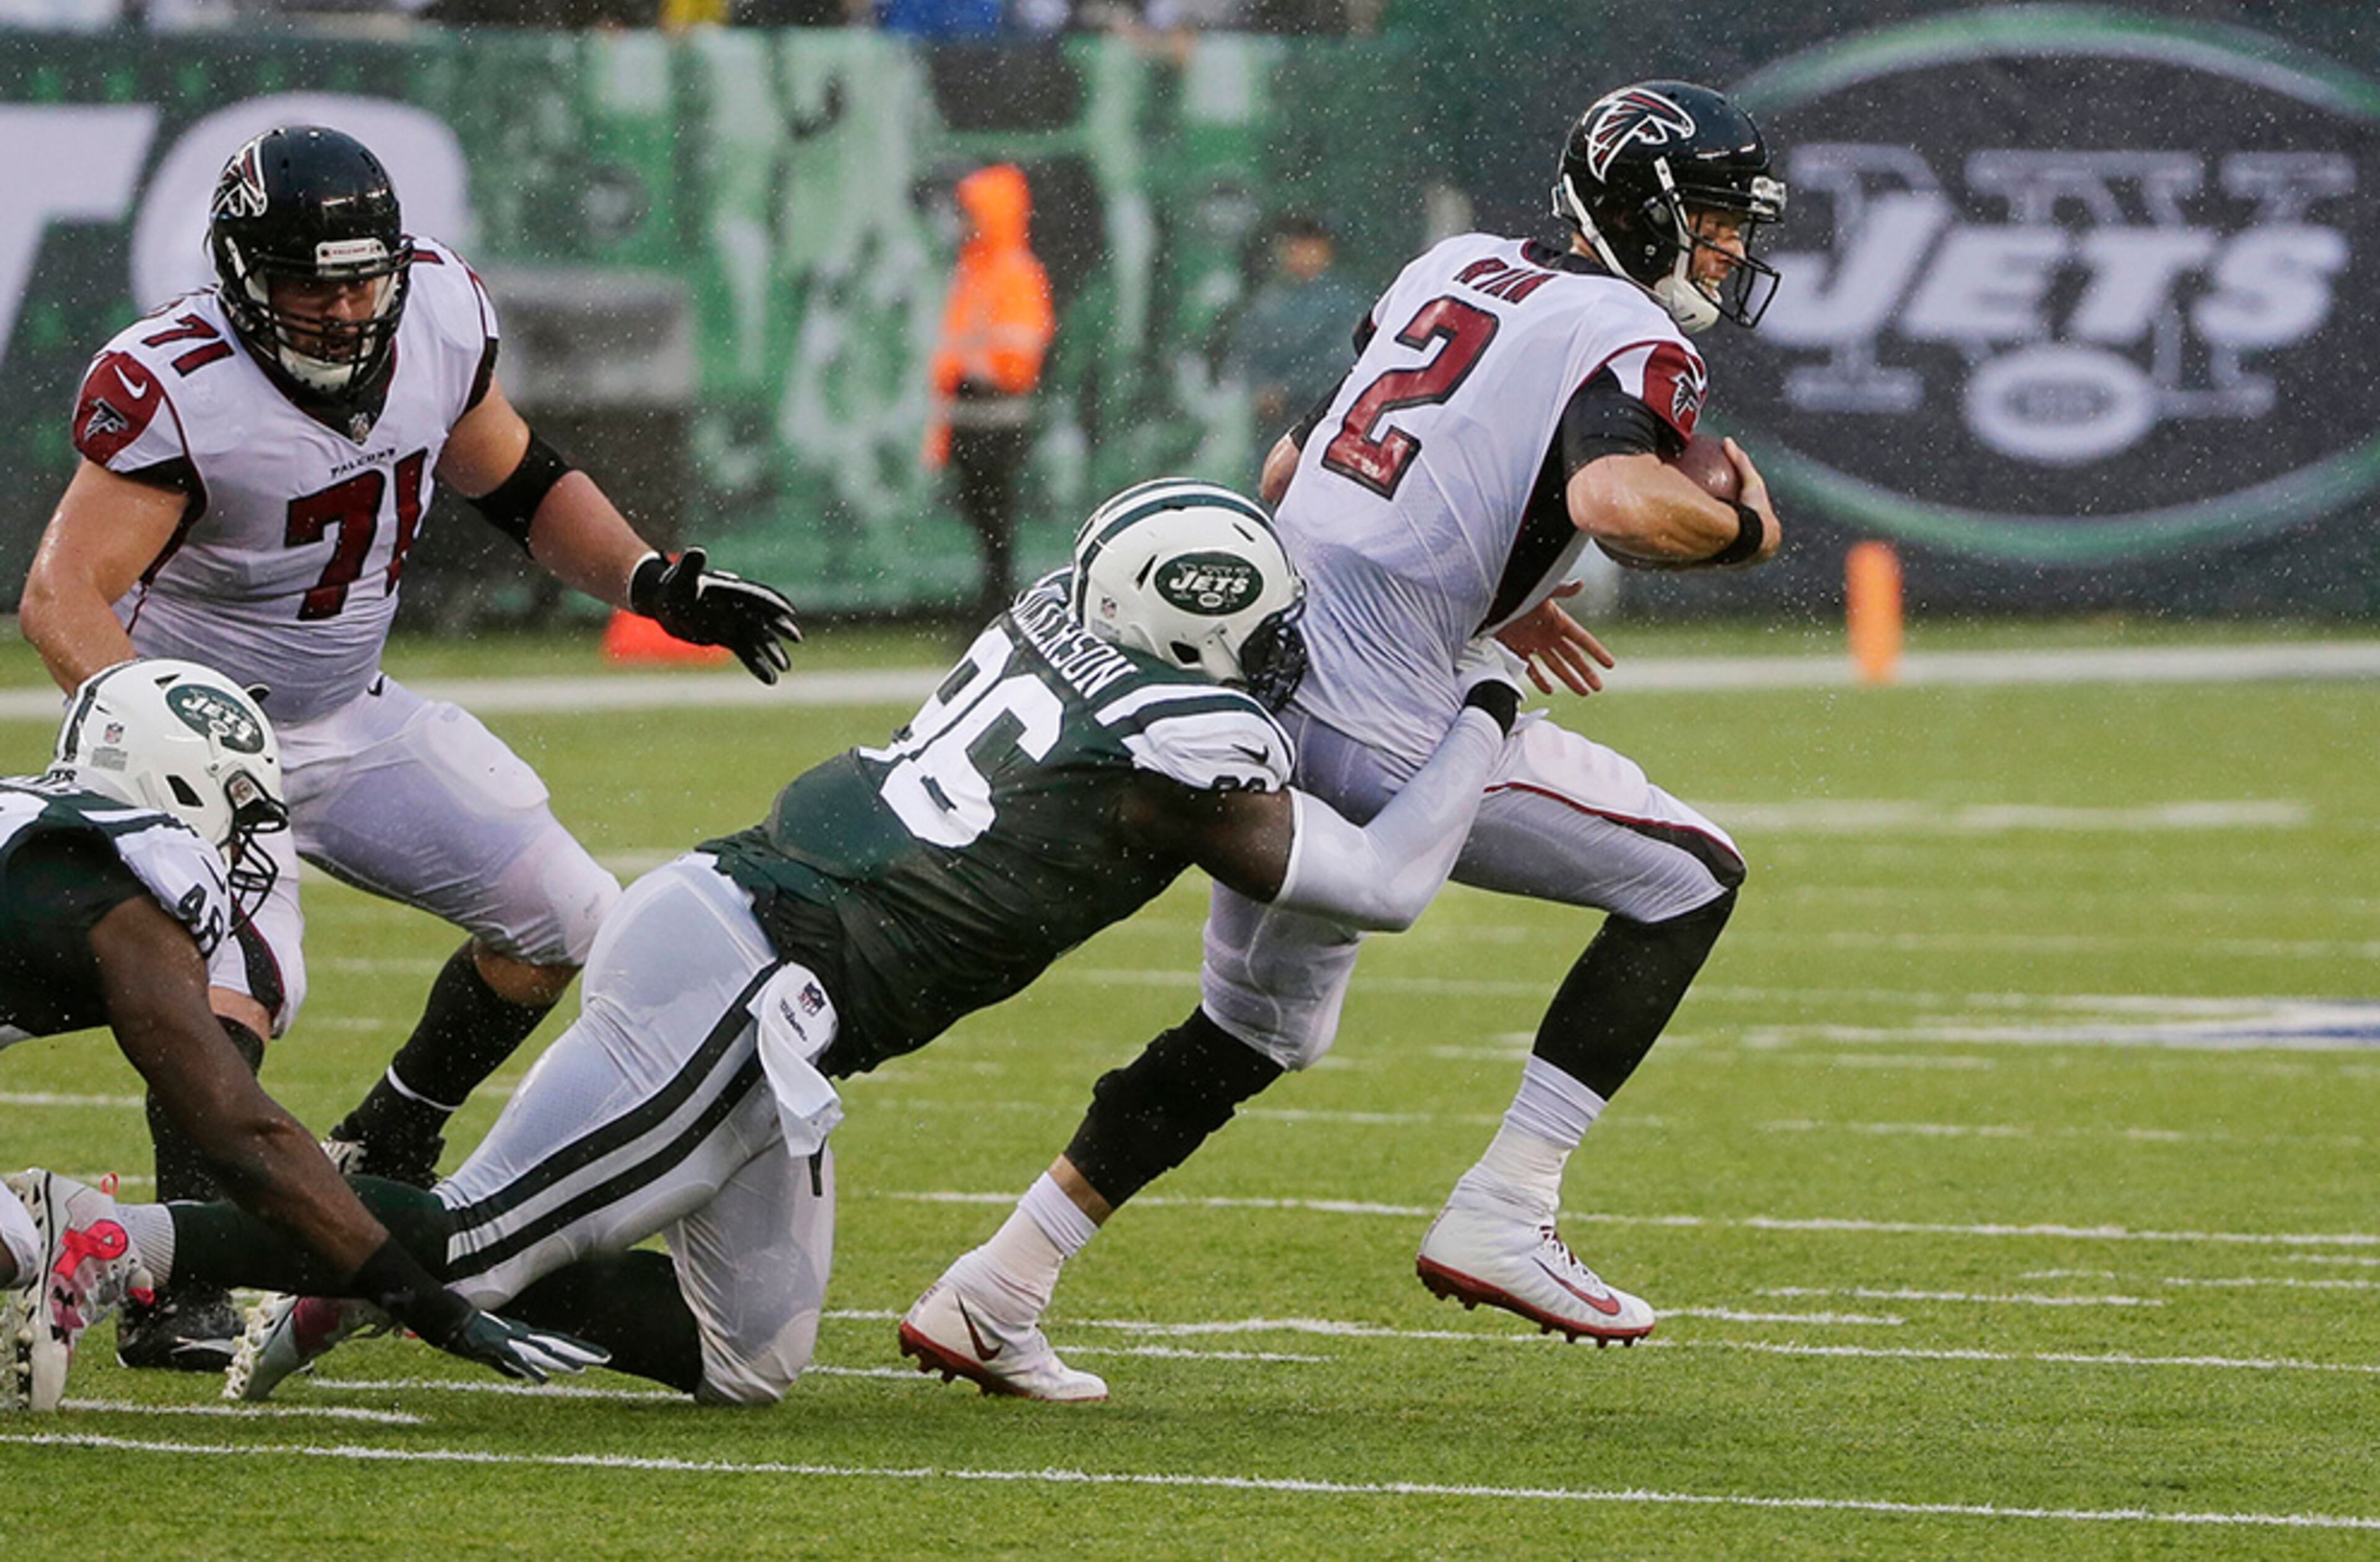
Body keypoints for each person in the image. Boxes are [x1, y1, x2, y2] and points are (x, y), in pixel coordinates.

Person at [102, 480, 1528, 1406]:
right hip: (749, 979)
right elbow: (1389, 885)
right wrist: (1485, 702)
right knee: (466, 1246)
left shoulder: (1054, 625)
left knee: (750, 1361)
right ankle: (101, 1241)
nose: (1281, 665)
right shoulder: (1181, 741)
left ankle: (408, 1264)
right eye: (1264, 637)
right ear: (1194, 640)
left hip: (757, 971)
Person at [909, 79, 1790, 1390]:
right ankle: (1508, 1207)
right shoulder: (1623, 328)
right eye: (1713, 219)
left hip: (1264, 692)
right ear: (1644, 209)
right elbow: (1614, 496)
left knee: (1254, 1031)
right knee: (1691, 875)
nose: (1727, 249)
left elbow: (1289, 472)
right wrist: (1746, 529)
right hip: (1394, 730)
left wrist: (1496, 581)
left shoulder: (1458, 266)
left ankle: (995, 1286)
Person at [14, 124, 801, 1369]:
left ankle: (389, 1142)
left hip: (348, 713)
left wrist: (651, 581)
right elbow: (63, 594)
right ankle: (176, 1274)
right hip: (200, 739)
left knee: (569, 916)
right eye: (308, 283)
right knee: (244, 989)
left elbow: (524, 484)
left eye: (359, 278)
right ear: (238, 273)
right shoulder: (175, 380)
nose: (341, 309)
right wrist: (154, 724)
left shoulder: (436, 308)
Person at [0, 659, 603, 1412]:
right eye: (240, 797)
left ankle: (80, 1233)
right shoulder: (124, 897)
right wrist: (435, 1311)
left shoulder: (36, 819)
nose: (246, 829)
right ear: (183, 777)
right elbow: (239, 1133)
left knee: (15, 1241)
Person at [925, 162, 1057, 632]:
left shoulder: (1015, 272)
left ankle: (999, 609)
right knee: (986, 526)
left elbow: (1019, 353)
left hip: (997, 422)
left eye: (970, 214)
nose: (963, 224)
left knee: (997, 527)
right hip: (969, 420)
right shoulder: (974, 271)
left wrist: (979, 369)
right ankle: (991, 607)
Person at [1230, 213, 1373, 434]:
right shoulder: (1270, 299)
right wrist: (1261, 389)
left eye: (1309, 244)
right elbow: (1248, 351)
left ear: (1326, 250)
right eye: (1293, 245)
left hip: (1319, 420)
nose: (1299, 252)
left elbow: (1341, 362)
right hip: (1269, 425)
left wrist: (1288, 391)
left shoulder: (1343, 302)